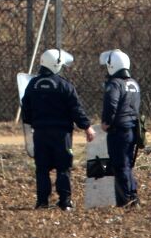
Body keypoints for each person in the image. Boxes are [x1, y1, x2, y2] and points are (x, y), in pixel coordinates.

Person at [21, 49, 96, 210]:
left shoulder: (32, 84)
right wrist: (87, 127)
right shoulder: (64, 85)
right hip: (62, 135)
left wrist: (33, 124)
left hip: (40, 134)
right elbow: (76, 109)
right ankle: (65, 202)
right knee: (63, 168)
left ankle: (42, 202)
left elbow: (25, 112)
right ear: (55, 65)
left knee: (42, 169)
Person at [99, 49, 141, 207]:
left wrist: (106, 122)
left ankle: (125, 200)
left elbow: (111, 104)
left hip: (118, 130)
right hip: (131, 130)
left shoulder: (115, 84)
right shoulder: (133, 84)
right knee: (127, 164)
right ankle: (132, 195)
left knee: (120, 165)